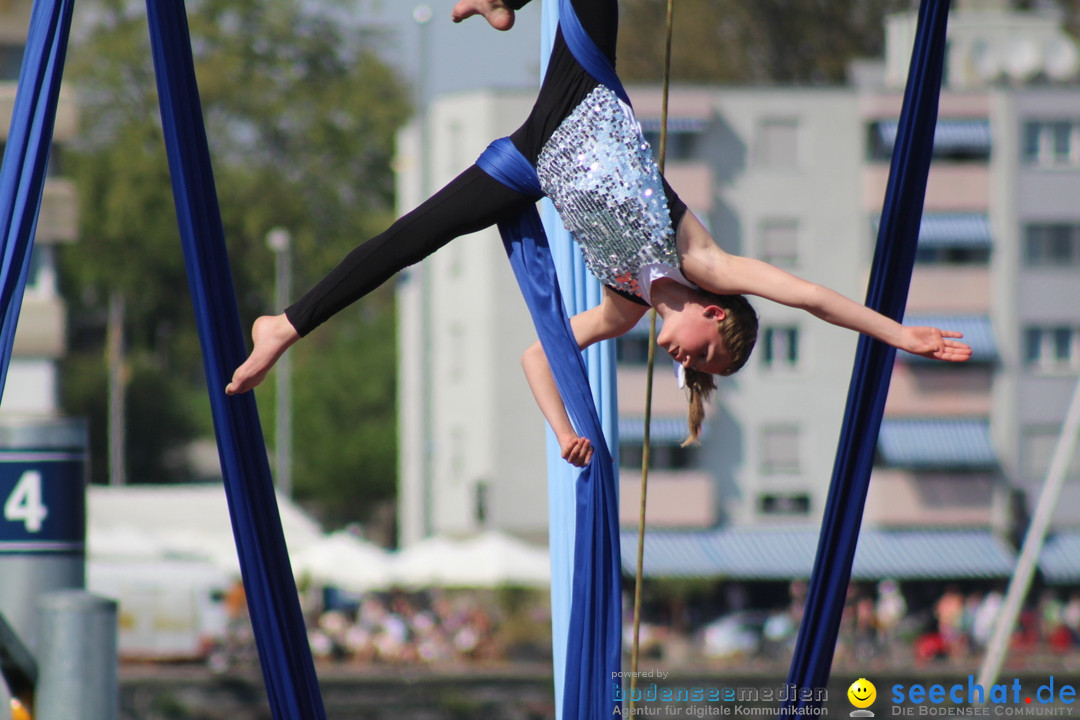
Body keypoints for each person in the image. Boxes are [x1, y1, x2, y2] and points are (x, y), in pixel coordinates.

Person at [226, 0, 972, 468]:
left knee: (409, 239)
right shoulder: (702, 258)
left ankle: (283, 325)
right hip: (584, 87)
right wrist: (896, 335)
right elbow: (808, 297)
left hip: (529, 166)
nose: (683, 360)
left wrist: (563, 431)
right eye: (704, 353)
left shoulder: (624, 309)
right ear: (715, 312)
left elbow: (537, 356)